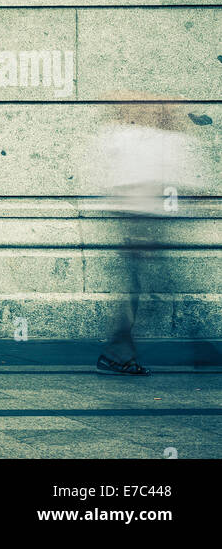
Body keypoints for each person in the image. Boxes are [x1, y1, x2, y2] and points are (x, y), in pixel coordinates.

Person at [91, 95, 194, 375]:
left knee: (139, 286)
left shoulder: (123, 135)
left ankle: (121, 350)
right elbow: (173, 182)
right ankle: (118, 352)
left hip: (135, 219)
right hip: (143, 220)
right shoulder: (158, 140)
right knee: (141, 287)